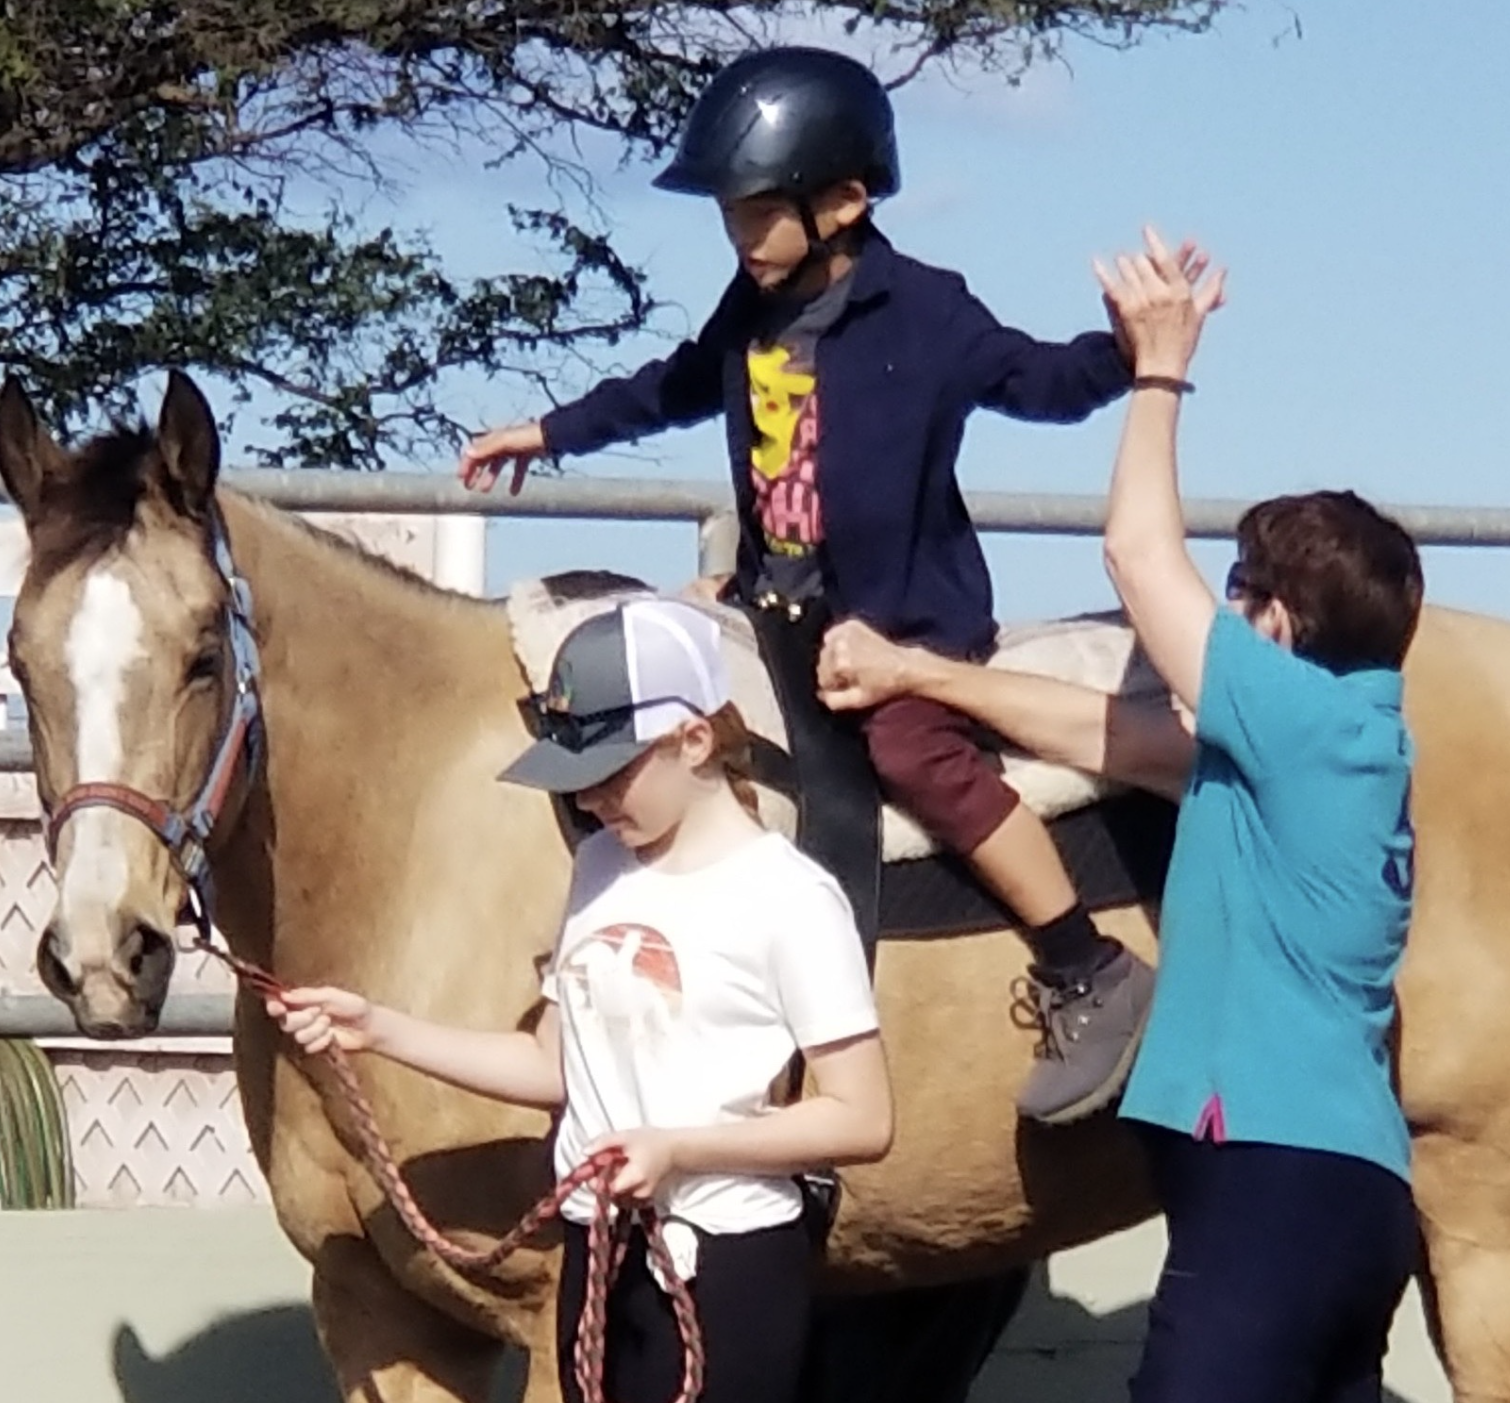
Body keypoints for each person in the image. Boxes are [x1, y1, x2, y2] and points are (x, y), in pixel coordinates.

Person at [454, 46, 1155, 1125]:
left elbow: (1040, 381)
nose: (738, 233)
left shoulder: (926, 314)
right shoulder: (749, 307)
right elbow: (674, 387)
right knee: (639, 720)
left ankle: (1086, 961)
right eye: (729, 211)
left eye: (756, 209)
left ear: (843, 200)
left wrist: (1124, 351)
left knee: (909, 750)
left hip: (904, 629)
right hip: (775, 612)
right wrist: (549, 430)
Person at [819, 227, 1423, 1403]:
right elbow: (1113, 733)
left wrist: (1158, 372)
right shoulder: (1332, 746)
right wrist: (920, 671)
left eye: (1245, 587)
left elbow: (1138, 557)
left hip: (1263, 1188)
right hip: (1351, 1196)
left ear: (1278, 621)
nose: (1230, 603)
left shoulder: (1298, 715)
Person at [266, 597, 893, 1403]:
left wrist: (678, 1150)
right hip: (600, 1259)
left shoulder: (790, 898)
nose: (592, 798)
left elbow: (862, 1118)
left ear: (695, 740)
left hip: (726, 1266)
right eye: (579, 776)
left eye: (614, 770)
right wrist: (378, 1030)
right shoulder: (600, 868)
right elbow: (552, 1063)